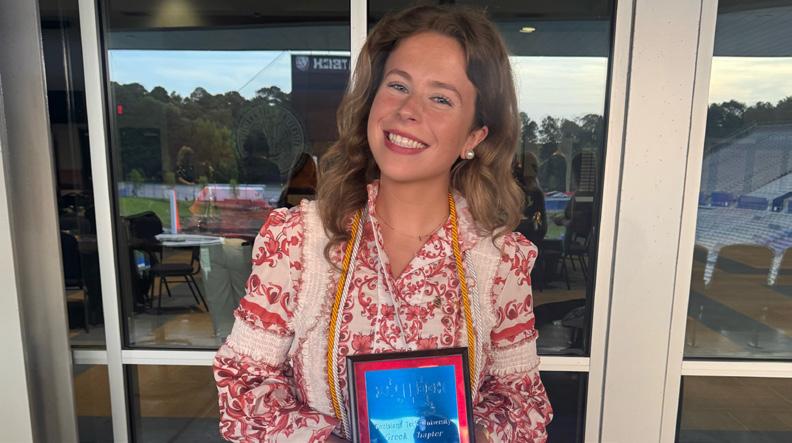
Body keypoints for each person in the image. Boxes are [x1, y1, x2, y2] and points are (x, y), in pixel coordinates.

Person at [213, 5, 553, 442]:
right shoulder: (298, 241)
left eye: (441, 98)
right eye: (398, 85)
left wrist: (478, 436)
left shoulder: (499, 260)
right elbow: (244, 387)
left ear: (473, 136)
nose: (408, 110)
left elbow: (520, 401)